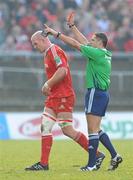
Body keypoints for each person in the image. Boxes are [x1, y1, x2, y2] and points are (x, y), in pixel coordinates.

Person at [43, 12, 123, 171]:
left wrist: (56, 33)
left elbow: (75, 43)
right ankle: (114, 155)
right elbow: (84, 41)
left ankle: (92, 165)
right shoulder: (104, 53)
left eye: (93, 39)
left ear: (99, 42)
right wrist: (72, 27)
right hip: (103, 94)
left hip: (95, 92)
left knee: (91, 130)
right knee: (97, 129)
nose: (90, 41)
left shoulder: (96, 53)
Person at [25, 30, 104, 171]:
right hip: (54, 96)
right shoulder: (47, 53)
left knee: (67, 130)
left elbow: (63, 71)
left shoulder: (54, 50)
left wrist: (48, 84)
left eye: (35, 43)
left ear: (42, 40)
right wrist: (50, 86)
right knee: (45, 126)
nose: (34, 46)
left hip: (63, 96)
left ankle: (97, 155)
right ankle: (43, 164)